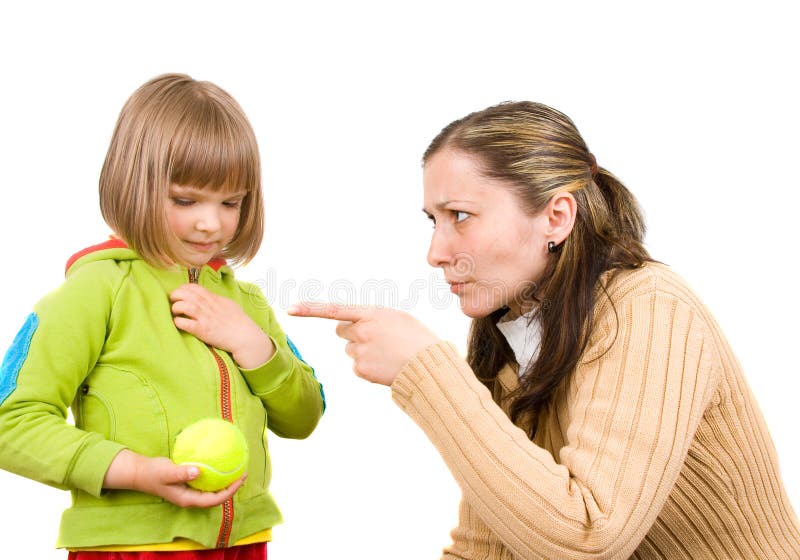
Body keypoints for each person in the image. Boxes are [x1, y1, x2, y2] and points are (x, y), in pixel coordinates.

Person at [289, 102, 800, 559]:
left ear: (556, 218)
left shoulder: (650, 308)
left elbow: (590, 539)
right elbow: (489, 545)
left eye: (460, 216)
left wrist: (428, 371)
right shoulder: (506, 328)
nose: (436, 252)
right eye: (433, 221)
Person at [0, 73, 325, 559]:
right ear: (133, 184)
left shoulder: (249, 304)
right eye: (185, 199)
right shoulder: (94, 291)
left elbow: (304, 417)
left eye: (230, 202)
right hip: (132, 547)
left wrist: (256, 347)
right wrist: (132, 470)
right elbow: (11, 422)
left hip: (244, 541)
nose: (210, 223)